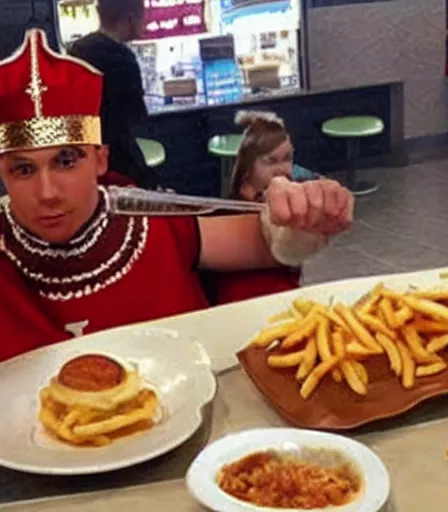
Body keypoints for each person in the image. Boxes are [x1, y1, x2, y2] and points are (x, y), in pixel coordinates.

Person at [0, 29, 354, 362]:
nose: (47, 193)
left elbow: (270, 244)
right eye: (23, 169)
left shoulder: (148, 221)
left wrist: (301, 215)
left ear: (99, 159)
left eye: (65, 161)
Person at [202, 111, 321, 306]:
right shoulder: (227, 214)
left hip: (286, 301)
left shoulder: (291, 192)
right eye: (271, 161)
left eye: (287, 158)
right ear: (248, 166)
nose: (282, 169)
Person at [67, 0, 157, 188]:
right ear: (131, 19)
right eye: (143, 18)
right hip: (117, 157)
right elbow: (136, 114)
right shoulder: (123, 59)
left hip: (81, 155)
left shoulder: (76, 51)